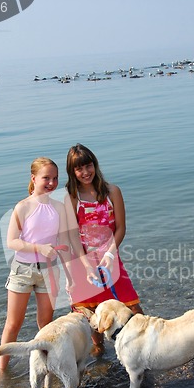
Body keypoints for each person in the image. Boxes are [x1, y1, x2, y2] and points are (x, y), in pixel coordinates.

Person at [64, 143, 143, 355]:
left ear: (95, 164)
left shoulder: (112, 192)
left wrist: (109, 253)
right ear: (72, 172)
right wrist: (86, 266)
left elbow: (121, 228)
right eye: (79, 169)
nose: (85, 172)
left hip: (110, 258)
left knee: (132, 306)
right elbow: (72, 235)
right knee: (90, 310)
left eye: (88, 166)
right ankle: (99, 349)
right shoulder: (72, 197)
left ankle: (143, 345)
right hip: (82, 261)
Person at [0, 157, 70, 371]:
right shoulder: (23, 207)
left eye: (55, 178)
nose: (51, 183)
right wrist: (40, 248)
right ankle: (2, 370)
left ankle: (44, 368)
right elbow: (12, 242)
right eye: (46, 178)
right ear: (33, 178)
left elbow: (64, 243)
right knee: (13, 324)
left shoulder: (59, 207)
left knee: (45, 325)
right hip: (22, 271)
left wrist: (71, 276)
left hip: (50, 271)